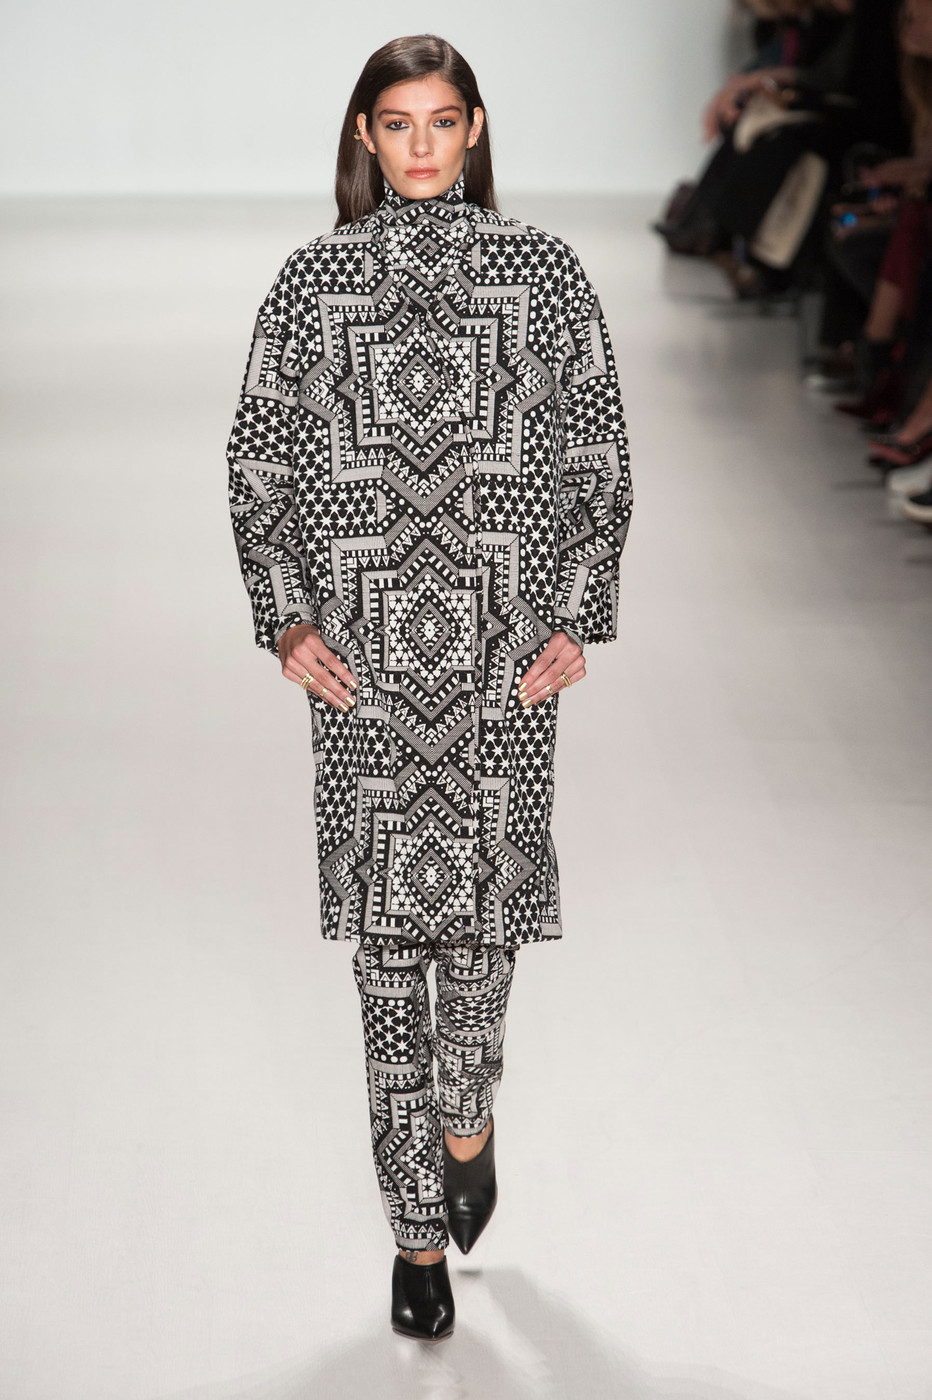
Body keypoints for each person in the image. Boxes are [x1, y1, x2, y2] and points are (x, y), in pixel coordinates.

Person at [226, 33, 633, 1342]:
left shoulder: (545, 272)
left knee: (484, 951)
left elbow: (600, 451)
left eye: (441, 121)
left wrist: (578, 614)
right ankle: (415, 1241)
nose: (419, 145)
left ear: (475, 129)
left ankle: (468, 1117)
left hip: (504, 668)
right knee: (388, 961)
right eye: (396, 122)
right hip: (365, 671)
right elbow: (257, 462)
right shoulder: (311, 284)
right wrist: (286, 619)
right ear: (364, 135)